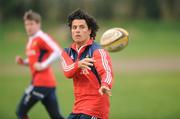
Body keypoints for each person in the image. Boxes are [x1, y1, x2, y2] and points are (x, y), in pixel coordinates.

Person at [60, 9, 114, 119]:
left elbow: (107, 71)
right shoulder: (67, 52)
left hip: (96, 108)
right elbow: (67, 72)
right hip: (78, 107)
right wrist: (78, 64)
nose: (77, 31)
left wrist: (105, 85)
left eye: (81, 27)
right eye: (74, 27)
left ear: (89, 30)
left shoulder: (97, 51)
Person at [15, 10, 65, 119]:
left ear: (38, 24)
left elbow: (59, 52)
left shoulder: (41, 37)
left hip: (40, 83)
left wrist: (43, 65)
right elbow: (35, 61)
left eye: (31, 24)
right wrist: (24, 62)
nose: (29, 27)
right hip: (48, 85)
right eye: (27, 24)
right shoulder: (31, 40)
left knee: (20, 112)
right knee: (56, 116)